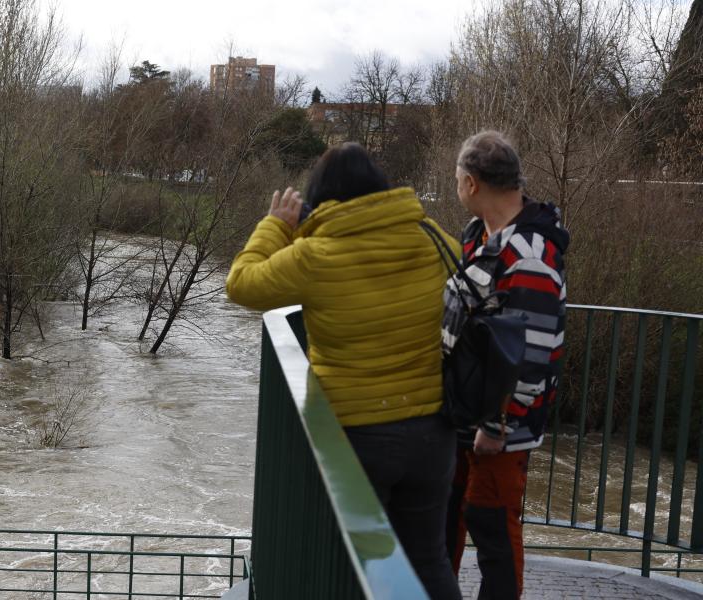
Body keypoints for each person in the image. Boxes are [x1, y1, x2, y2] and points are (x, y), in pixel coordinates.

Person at [226, 143, 463, 600]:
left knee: (360, 568)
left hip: (358, 440)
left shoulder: (315, 254)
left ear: (321, 197)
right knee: (428, 559)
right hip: (434, 432)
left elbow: (242, 282)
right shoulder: (432, 237)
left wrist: (277, 225)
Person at [442, 131, 569, 600]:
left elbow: (531, 355)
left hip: (499, 425)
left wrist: (497, 425)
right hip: (464, 412)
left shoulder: (530, 255)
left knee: (490, 523)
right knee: (447, 516)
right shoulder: (481, 236)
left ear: (472, 184)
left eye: (457, 179)